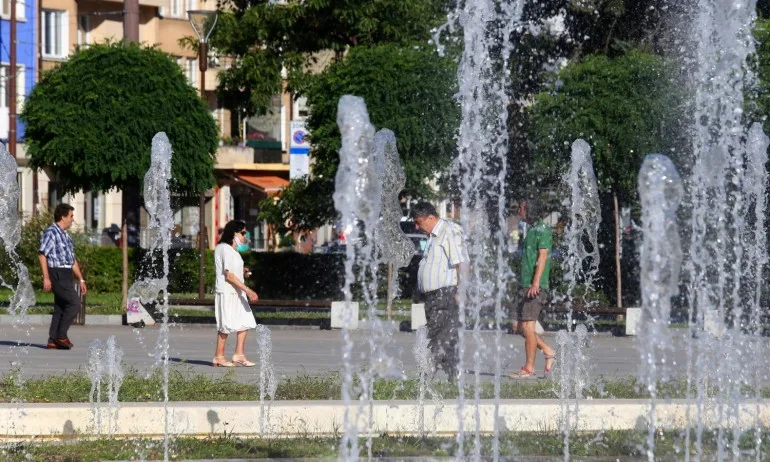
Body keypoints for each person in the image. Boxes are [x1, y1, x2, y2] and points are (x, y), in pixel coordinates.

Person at [412, 201, 468, 381]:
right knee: (445, 336)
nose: (417, 226)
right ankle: (455, 377)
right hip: (434, 296)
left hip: (445, 294)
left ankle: (426, 375)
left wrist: (461, 290)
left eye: (419, 222)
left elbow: (463, 263)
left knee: (439, 336)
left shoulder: (449, 231)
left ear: (430, 217)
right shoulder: (433, 236)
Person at [509, 199, 557, 379]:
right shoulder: (529, 229)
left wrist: (535, 283)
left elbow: (543, 256)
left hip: (535, 286)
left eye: (521, 209)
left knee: (528, 326)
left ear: (529, 210)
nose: (519, 211)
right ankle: (548, 350)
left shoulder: (542, 229)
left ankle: (529, 368)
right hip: (524, 284)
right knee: (518, 326)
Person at [38, 203, 88, 350]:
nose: (73, 219)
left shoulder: (65, 236)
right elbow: (42, 254)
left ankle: (52, 340)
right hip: (57, 273)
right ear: (63, 217)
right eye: (71, 216)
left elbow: (72, 260)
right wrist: (46, 277)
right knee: (74, 304)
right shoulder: (51, 232)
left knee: (60, 307)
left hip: (66, 273)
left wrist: (81, 278)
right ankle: (61, 335)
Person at [212, 220, 259, 367]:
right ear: (234, 233)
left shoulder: (233, 251)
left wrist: (243, 271)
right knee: (225, 325)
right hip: (227, 292)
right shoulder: (224, 248)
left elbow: (233, 270)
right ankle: (218, 356)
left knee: (245, 321)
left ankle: (239, 355)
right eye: (243, 233)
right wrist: (248, 290)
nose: (245, 236)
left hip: (237, 292)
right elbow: (229, 276)